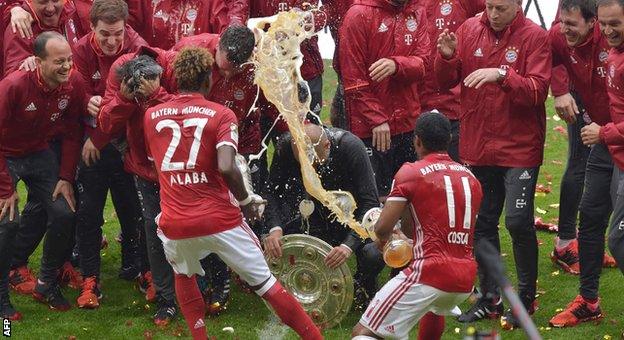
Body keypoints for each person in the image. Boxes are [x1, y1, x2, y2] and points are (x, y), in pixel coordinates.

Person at [143, 46, 323, 340]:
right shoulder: (221, 114)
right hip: (219, 219)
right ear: (207, 80)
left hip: (175, 221)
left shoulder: (151, 115)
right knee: (266, 284)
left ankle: (199, 336)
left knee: (183, 274)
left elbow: (158, 162)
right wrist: (246, 201)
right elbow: (227, 165)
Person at [435, 0, 551, 328]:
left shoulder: (535, 37)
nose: (493, 14)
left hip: (520, 148)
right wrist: (445, 58)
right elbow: (444, 82)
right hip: (478, 145)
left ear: (517, 5)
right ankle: (490, 298)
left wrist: (502, 75)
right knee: (482, 224)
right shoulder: (469, 29)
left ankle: (526, 299)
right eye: (489, 6)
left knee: (516, 221)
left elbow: (537, 92)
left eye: (501, 8)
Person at [351, 111, 483, 340]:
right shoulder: (471, 179)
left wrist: (388, 237)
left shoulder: (411, 172)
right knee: (434, 306)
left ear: (417, 140)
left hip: (429, 272)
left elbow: (382, 229)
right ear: (449, 140)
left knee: (364, 333)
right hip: (465, 279)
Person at [172, 27, 262, 315]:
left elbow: (268, 105)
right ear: (218, 47)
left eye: (234, 70)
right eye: (222, 69)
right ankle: (215, 278)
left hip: (240, 141)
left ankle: (243, 271)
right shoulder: (191, 50)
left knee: (240, 208)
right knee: (210, 214)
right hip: (197, 147)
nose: (226, 76)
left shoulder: (256, 68)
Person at [0, 32, 85, 317]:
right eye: (59, 61)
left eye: (70, 60)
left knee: (65, 212)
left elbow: (74, 130)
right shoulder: (13, 85)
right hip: (6, 154)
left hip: (39, 153)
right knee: (8, 221)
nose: (67, 67)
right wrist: (4, 189)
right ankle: (1, 296)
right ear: (38, 62)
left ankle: (46, 283)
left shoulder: (73, 83)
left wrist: (65, 176)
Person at [551, 0, 624, 327]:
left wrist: (606, 131)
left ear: (591, 22)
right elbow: (548, 52)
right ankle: (589, 301)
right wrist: (560, 89)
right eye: (607, 24)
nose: (609, 30)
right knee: (591, 220)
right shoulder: (562, 36)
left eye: (614, 24)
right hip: (605, 145)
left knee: (618, 238)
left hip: (612, 140)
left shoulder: (611, 47)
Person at [71, 0, 148, 309]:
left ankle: (139, 267)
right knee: (89, 209)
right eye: (104, 34)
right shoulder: (79, 49)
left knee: (131, 205)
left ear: (126, 28)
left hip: (125, 138)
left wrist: (98, 138)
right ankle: (90, 278)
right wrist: (86, 99)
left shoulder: (137, 46)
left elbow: (131, 101)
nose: (112, 41)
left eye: (117, 33)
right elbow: (73, 88)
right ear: (92, 28)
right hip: (92, 139)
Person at [263, 123, 384, 310]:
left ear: (327, 146)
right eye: (302, 163)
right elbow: (271, 191)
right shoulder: (286, 145)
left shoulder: (351, 147)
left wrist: (347, 245)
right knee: (278, 237)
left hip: (351, 214)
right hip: (313, 212)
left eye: (313, 162)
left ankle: (362, 283)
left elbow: (370, 205)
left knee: (372, 254)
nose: (308, 168)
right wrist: (275, 229)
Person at [339, 0, 430, 197]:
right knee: (374, 198)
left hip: (408, 122)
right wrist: (376, 119)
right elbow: (352, 79)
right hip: (369, 128)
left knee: (407, 194)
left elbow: (424, 63)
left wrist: (397, 65)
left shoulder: (417, 11)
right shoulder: (358, 14)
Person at [420, 0, 485, 161]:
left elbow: (504, 12)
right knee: (416, 179)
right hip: (409, 109)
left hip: (453, 107)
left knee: (453, 177)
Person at [3, 0, 87, 74]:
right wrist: (33, 69)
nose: (50, 8)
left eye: (55, 0)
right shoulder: (21, 26)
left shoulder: (72, 13)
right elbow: (14, 81)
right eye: (43, 2)